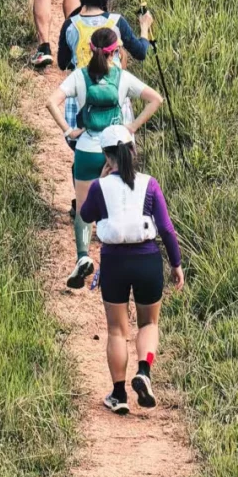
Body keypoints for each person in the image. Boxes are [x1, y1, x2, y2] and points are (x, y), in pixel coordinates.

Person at [46, 25, 162, 290]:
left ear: (90, 49)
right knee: (117, 203)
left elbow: (51, 102)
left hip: (87, 149)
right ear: (116, 51)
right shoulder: (122, 78)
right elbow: (156, 99)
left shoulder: (79, 76)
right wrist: (131, 128)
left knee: (84, 209)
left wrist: (68, 130)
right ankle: (116, 256)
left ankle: (83, 256)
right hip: (117, 150)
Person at [80, 123, 184, 415]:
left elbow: (86, 215)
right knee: (149, 324)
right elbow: (166, 228)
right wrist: (176, 263)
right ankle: (144, 371)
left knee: (117, 330)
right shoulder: (149, 183)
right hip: (147, 260)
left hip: (114, 261)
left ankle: (118, 394)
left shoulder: (100, 187)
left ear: (106, 156)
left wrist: (100, 180)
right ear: (133, 150)